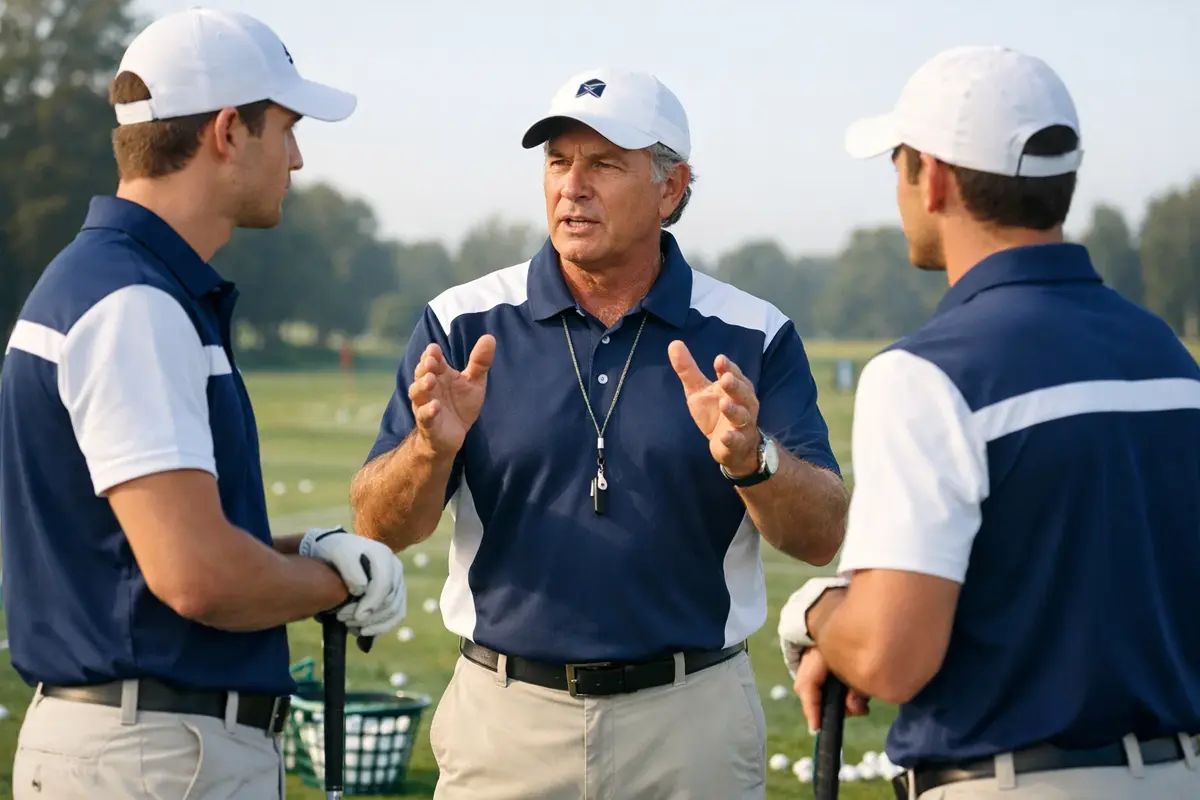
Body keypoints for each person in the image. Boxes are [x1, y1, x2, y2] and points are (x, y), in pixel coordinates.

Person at [351, 67, 849, 799]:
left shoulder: (752, 332)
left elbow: (820, 534)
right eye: (558, 161)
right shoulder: (462, 322)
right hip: (505, 719)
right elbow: (379, 525)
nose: (571, 186)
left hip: (691, 722)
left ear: (671, 188)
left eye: (604, 164)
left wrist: (754, 459)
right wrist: (431, 448)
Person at [0, 9, 407, 799]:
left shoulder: (112, 285)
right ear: (227, 132)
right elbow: (199, 578)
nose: (296, 158)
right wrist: (344, 584)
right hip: (154, 752)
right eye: (284, 129)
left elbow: (149, 554)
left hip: (139, 742)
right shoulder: (135, 305)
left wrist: (309, 549)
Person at [778, 45, 1200, 799]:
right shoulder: (1169, 357)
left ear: (932, 178)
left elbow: (888, 655)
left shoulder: (925, 376)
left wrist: (819, 614)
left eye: (899, 163)